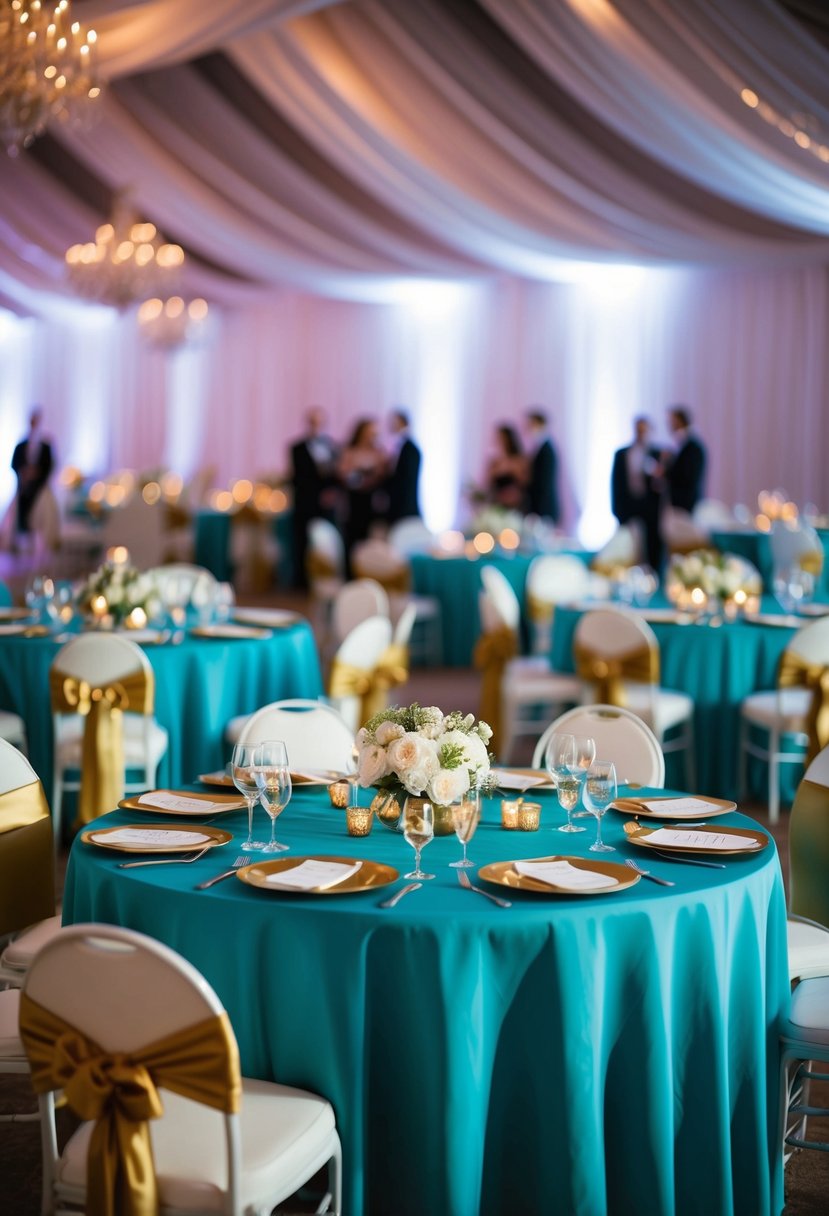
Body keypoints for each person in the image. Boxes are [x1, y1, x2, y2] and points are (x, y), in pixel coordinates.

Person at [290, 407, 340, 589]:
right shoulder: (297, 448)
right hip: (306, 503)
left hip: (328, 506)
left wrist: (331, 493)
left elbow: (337, 475)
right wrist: (317, 495)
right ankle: (301, 583)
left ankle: (328, 579)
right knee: (302, 544)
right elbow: (299, 478)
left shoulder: (332, 446)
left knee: (329, 542)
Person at [611, 416, 663, 571]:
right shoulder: (622, 453)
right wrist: (617, 509)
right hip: (628, 504)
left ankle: (654, 574)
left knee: (652, 544)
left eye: (644, 430)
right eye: (638, 430)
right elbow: (616, 482)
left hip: (650, 506)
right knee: (627, 545)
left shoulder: (657, 453)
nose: (641, 433)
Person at [337, 417, 388, 565]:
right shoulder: (350, 451)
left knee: (370, 538)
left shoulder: (379, 453)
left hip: (372, 501)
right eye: (368, 433)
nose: (371, 437)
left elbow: (382, 476)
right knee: (351, 537)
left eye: (374, 434)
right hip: (353, 501)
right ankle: (350, 570)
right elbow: (343, 473)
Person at [11, 407, 54, 549]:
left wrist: (37, 474)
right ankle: (22, 546)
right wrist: (24, 473)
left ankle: (39, 548)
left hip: (39, 488)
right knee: (21, 518)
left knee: (40, 518)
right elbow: (14, 464)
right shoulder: (21, 444)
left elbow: (50, 465)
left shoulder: (45, 445)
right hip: (23, 488)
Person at [663, 405, 706, 514]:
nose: (669, 425)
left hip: (687, 504)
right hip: (679, 503)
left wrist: (666, 470)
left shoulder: (692, 446)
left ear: (680, 421)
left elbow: (686, 475)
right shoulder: (680, 445)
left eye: (672, 421)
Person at [384, 409, 421, 523]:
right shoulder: (401, 446)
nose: (391, 425)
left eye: (394, 422)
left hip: (404, 507)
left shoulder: (409, 449)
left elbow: (406, 480)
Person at [524, 408, 560, 525]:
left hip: (544, 508)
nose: (529, 428)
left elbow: (544, 481)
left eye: (531, 424)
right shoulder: (540, 447)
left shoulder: (547, 449)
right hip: (539, 507)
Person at [485, 424, 526, 510]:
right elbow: (489, 480)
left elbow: (523, 480)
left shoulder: (518, 459)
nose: (500, 441)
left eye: (503, 438)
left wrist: (509, 467)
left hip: (514, 502)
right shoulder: (495, 460)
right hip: (497, 501)